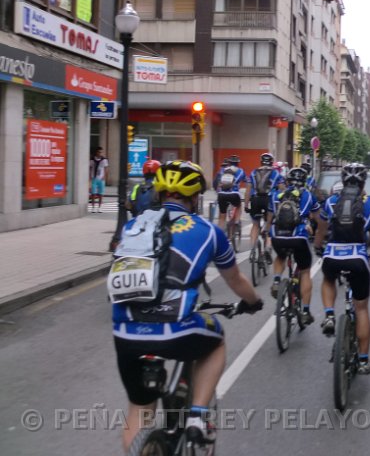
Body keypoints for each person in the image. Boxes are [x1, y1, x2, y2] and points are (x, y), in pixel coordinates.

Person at [111, 160, 263, 452]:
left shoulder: (134, 225)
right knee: (216, 340)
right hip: (176, 328)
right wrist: (253, 302)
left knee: (139, 410)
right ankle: (198, 417)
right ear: (195, 198)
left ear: (159, 193)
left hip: (125, 331)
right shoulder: (208, 231)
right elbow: (235, 279)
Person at [313, 162, 370, 374]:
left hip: (333, 255)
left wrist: (318, 247)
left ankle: (329, 315)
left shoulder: (331, 201)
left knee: (328, 279)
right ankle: (362, 360)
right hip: (358, 258)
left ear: (342, 181)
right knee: (361, 308)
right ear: (363, 183)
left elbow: (321, 230)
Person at [266, 166, 320, 324]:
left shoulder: (276, 195)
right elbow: (318, 218)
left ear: (287, 181)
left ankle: (277, 281)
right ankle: (305, 311)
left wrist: (268, 229)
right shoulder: (308, 195)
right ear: (305, 181)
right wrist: (316, 231)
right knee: (305, 271)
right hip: (298, 236)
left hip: (278, 235)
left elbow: (270, 215)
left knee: (281, 256)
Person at [245, 152, 285, 253]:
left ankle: (252, 248)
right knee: (269, 223)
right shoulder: (276, 173)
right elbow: (282, 190)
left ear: (261, 161)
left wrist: (246, 204)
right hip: (269, 200)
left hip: (255, 200)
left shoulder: (254, 172)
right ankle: (268, 246)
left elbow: (248, 190)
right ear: (271, 162)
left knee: (255, 224)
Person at [213, 154, 246, 232]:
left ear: (229, 162)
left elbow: (217, 182)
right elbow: (247, 181)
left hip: (222, 194)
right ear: (238, 163)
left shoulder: (223, 170)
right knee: (238, 206)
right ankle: (236, 221)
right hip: (234, 194)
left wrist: (218, 192)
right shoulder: (240, 171)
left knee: (222, 217)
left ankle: (219, 233)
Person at [89, 147, 109, 213]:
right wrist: (90, 176)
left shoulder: (104, 160)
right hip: (94, 178)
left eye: (101, 152)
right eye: (99, 152)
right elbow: (90, 168)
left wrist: (104, 176)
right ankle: (93, 207)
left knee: (101, 193)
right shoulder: (92, 159)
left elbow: (106, 169)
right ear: (96, 152)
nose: (100, 153)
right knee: (93, 193)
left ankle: (100, 207)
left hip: (101, 178)